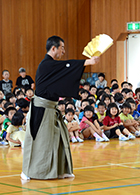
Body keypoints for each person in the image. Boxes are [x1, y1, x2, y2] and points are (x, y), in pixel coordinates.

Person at [22, 35, 100, 180]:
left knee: (58, 138)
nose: (63, 51)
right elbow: (66, 66)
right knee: (40, 141)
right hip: (41, 110)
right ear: (54, 48)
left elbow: (63, 72)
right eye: (62, 48)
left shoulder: (52, 66)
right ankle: (28, 171)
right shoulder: (46, 64)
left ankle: (59, 170)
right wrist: (87, 62)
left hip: (51, 109)